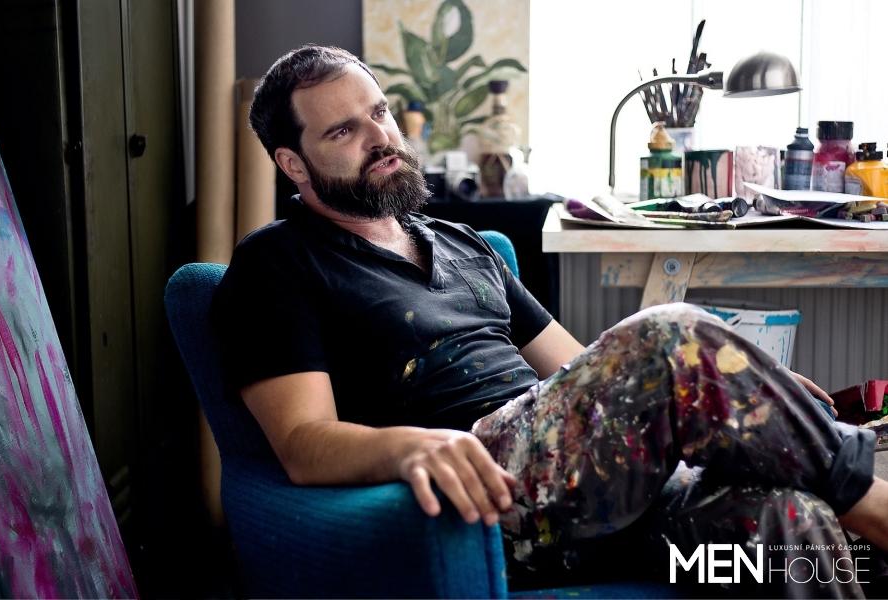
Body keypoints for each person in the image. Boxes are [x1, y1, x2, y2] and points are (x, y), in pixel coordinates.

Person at [211, 45, 888, 596]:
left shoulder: (465, 246)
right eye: (344, 130)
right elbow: (301, 443)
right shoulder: (278, 264)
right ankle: (876, 503)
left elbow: (584, 369)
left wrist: (725, 386)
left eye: (379, 112)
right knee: (668, 332)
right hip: (486, 490)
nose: (380, 137)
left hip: (591, 487)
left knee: (785, 519)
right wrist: (412, 446)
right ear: (292, 163)